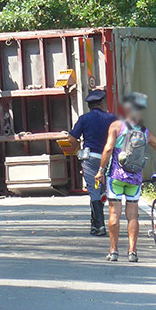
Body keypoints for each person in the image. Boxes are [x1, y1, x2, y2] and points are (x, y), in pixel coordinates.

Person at [95, 92, 156, 262]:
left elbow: (108, 149)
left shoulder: (116, 126)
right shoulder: (145, 131)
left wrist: (101, 170)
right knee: (133, 215)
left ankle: (114, 251)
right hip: (134, 178)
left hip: (115, 176)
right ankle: (132, 252)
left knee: (114, 213)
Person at [64, 89, 116, 236]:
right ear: (102, 103)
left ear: (89, 106)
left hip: (90, 158)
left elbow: (72, 139)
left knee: (93, 190)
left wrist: (75, 150)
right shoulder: (112, 118)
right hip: (108, 158)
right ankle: (94, 224)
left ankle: (100, 226)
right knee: (103, 190)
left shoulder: (84, 119)